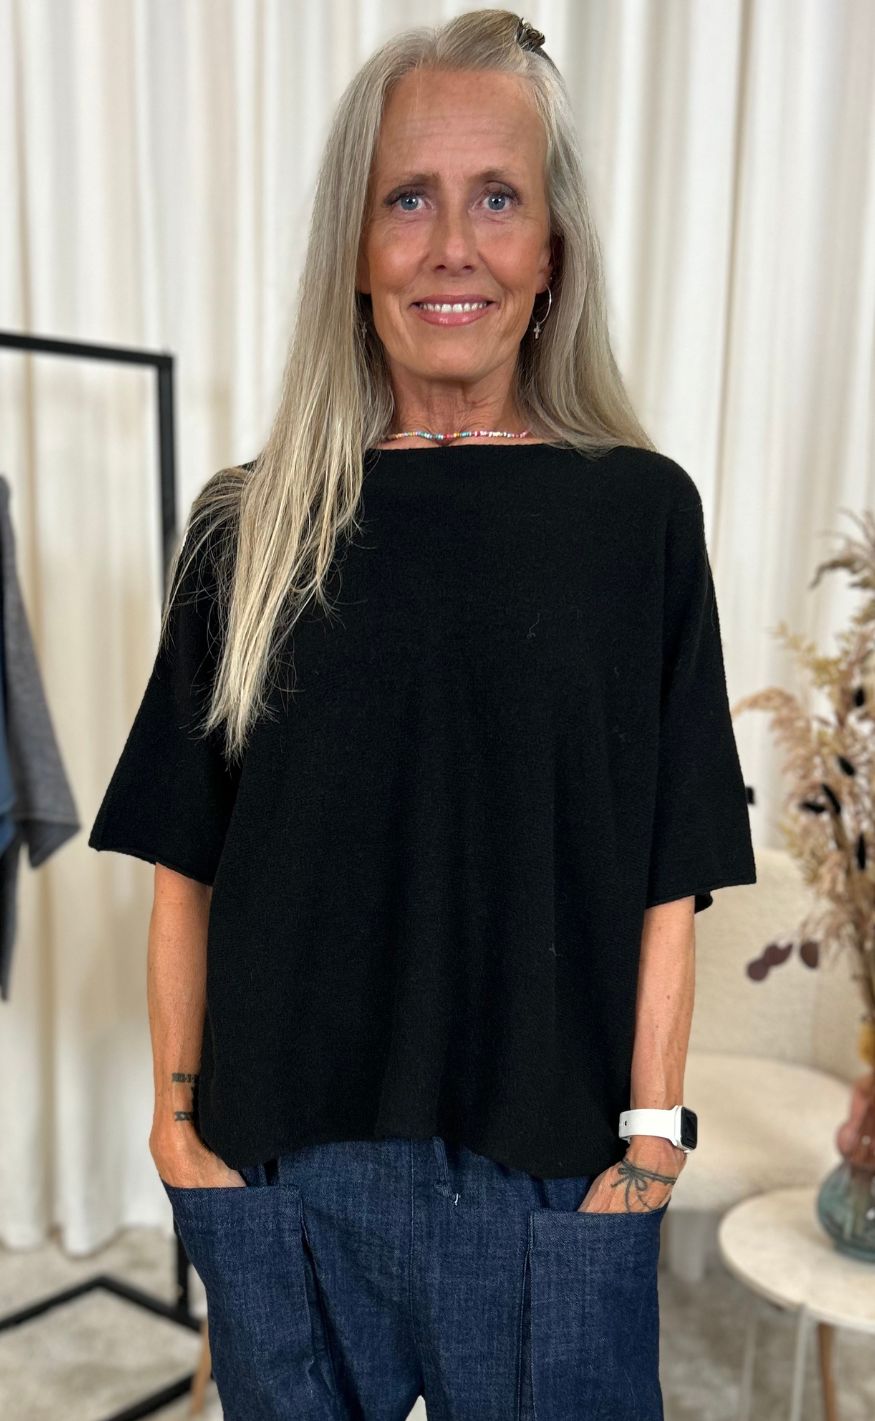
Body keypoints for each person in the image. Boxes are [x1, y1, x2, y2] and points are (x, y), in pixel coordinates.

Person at [89, 10, 756, 1420]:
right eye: (408, 199)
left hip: (555, 1180)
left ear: (553, 250)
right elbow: (184, 866)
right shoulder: (249, 527)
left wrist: (651, 1139)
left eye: (497, 199)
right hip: (282, 1167)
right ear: (354, 246)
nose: (454, 245)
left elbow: (671, 872)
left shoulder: (638, 518)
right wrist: (176, 1121)